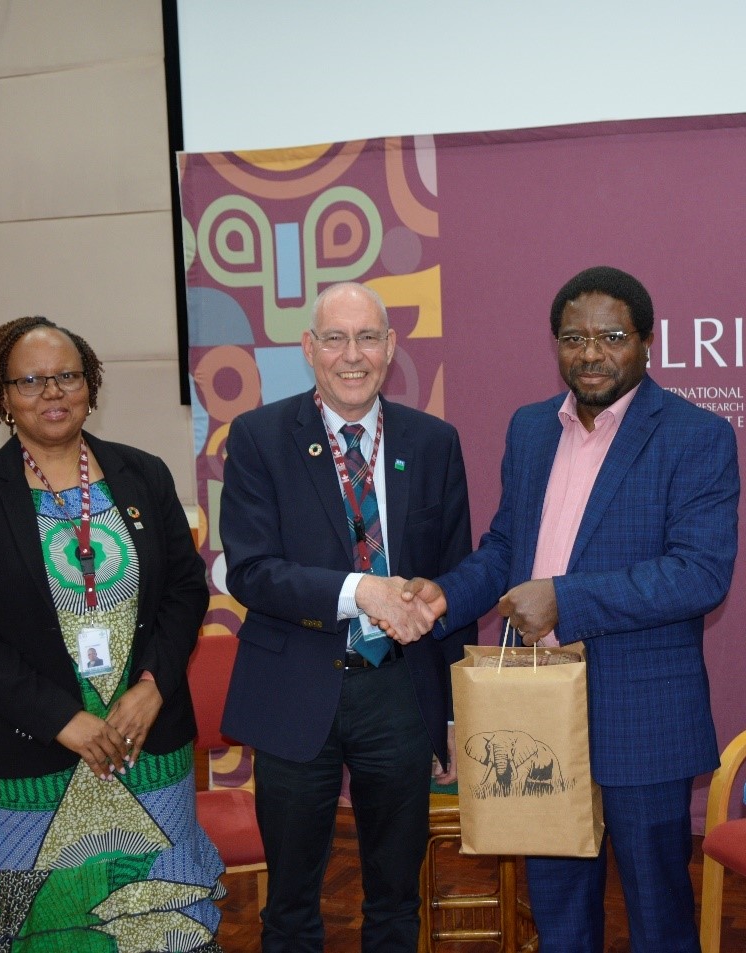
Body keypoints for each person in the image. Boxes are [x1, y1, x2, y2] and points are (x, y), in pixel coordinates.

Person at [404, 266, 740, 953]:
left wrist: (566, 597)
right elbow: (505, 548)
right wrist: (444, 595)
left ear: (647, 341)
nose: (591, 353)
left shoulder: (695, 435)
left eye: (612, 336)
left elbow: (698, 573)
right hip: (536, 711)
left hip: (644, 714)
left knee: (657, 913)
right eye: (573, 337)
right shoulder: (530, 429)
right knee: (559, 912)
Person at [0, 316, 225, 952]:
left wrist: (152, 689)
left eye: (67, 376)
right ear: (2, 396)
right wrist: (64, 720)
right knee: (49, 925)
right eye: (31, 381)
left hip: (146, 745)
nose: (52, 392)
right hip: (32, 756)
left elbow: (184, 591)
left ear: (89, 384)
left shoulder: (142, 475)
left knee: (160, 914)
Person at [218, 282, 475, 953]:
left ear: (391, 348)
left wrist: (452, 712)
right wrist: (361, 589)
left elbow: (456, 580)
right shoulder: (258, 438)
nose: (351, 355)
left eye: (367, 337)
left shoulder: (435, 441)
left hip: (401, 692)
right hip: (296, 689)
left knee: (396, 896)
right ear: (309, 349)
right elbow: (250, 570)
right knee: (293, 900)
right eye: (335, 338)